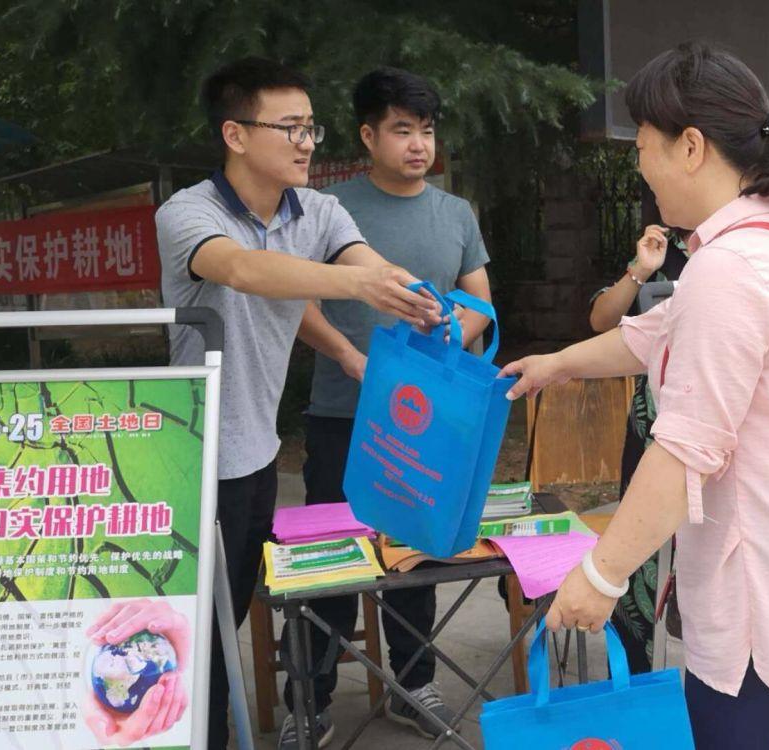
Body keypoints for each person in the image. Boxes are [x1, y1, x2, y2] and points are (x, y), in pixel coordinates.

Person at [501, 42, 769, 749]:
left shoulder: (729, 269)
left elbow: (685, 450)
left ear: (690, 147)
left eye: (642, 147)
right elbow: (658, 333)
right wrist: (556, 365)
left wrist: (602, 574)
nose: (639, 167)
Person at [155, 57, 440, 750]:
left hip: (257, 452)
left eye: (311, 127)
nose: (307, 142)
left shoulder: (318, 211)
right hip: (195, 455)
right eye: (289, 128)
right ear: (235, 134)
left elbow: (362, 262)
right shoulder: (188, 213)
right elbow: (245, 270)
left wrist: (398, 295)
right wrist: (360, 288)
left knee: (229, 616)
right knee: (198, 627)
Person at [282, 66, 492, 747]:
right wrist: (351, 356)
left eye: (426, 131)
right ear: (368, 136)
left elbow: (479, 304)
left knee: (414, 555)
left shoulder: (455, 213)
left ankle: (413, 683)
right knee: (330, 559)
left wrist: (442, 347)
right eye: (402, 130)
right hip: (342, 414)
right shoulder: (326, 210)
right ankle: (307, 701)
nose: (418, 145)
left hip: (425, 423)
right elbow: (297, 302)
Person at [585, 221, 690, 674]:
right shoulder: (662, 246)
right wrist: (641, 270)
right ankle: (632, 684)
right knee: (640, 556)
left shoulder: (743, 246)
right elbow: (601, 322)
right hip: (654, 426)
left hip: (721, 428)